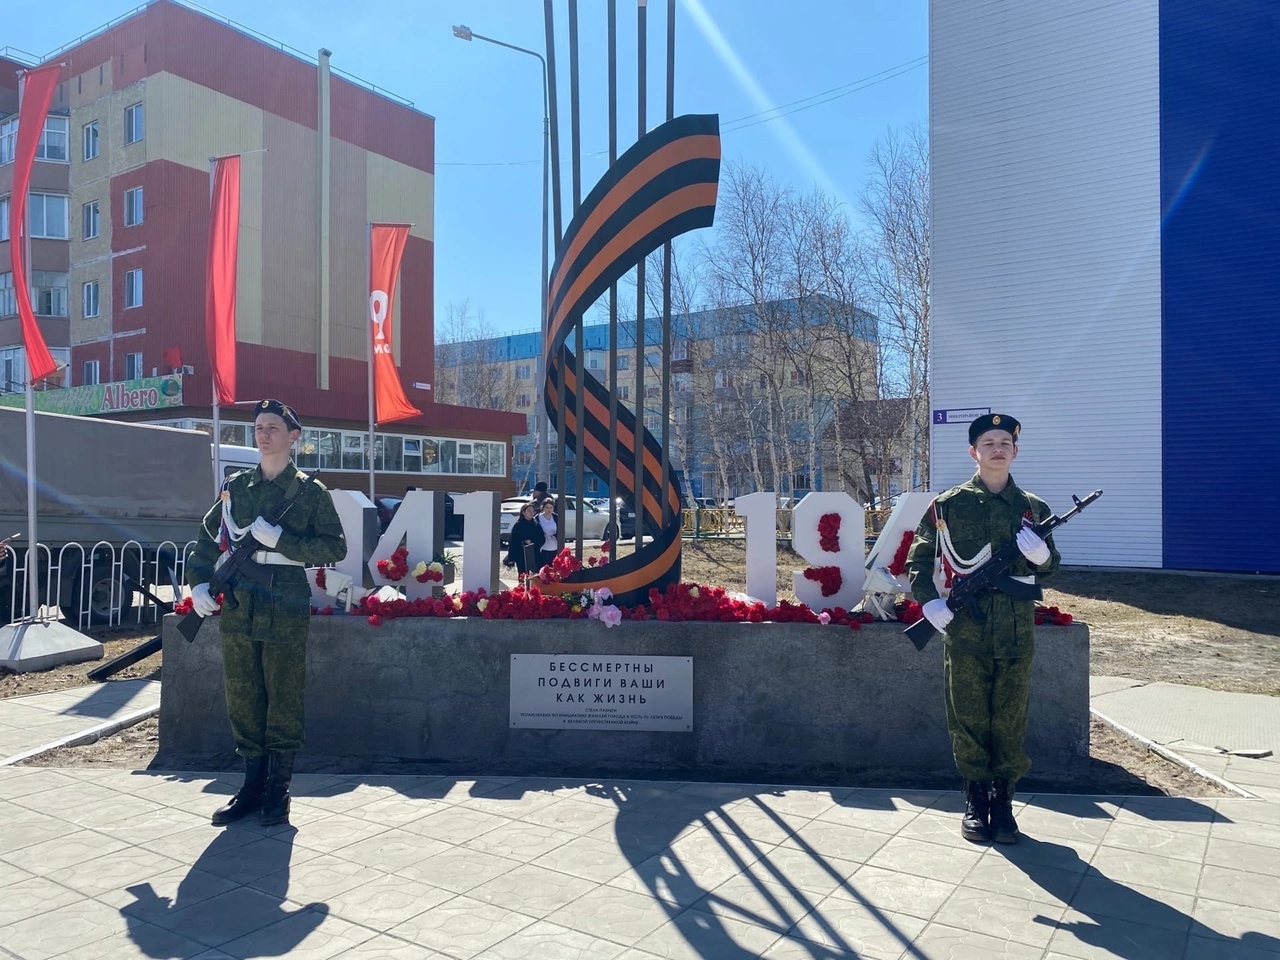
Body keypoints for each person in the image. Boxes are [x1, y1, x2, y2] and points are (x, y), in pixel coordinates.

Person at [187, 399, 346, 828]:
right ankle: (251, 787)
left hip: (285, 603)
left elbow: (335, 548)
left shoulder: (310, 493)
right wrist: (199, 582)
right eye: (258, 427)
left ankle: (278, 791)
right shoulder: (236, 488)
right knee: (242, 696)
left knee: (283, 697)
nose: (262, 434)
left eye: (272, 427)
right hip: (240, 606)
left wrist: (283, 542)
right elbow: (205, 540)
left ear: (293, 436)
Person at [905, 413, 1060, 844]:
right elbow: (918, 561)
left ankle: (1004, 806)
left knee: (1010, 720)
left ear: (1015, 451)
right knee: (969, 718)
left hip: (1015, 633)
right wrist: (931, 601)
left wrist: (1043, 558)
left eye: (1004, 442)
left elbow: (1053, 566)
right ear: (973, 452)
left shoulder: (1033, 508)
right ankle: (975, 800)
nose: (997, 448)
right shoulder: (948, 505)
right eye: (988, 442)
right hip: (966, 632)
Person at [503, 501, 545, 577]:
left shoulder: (536, 524)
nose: (531, 513)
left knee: (534, 576)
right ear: (523, 512)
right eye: (529, 511)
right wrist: (511, 557)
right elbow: (513, 542)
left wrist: (532, 542)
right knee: (523, 576)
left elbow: (542, 538)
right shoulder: (518, 525)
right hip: (521, 555)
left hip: (534, 554)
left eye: (533, 511)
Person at [536, 497, 560, 569]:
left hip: (555, 546)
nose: (549, 510)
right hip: (543, 547)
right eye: (547, 507)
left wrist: (556, 536)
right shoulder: (538, 518)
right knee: (544, 568)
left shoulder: (556, 517)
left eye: (551, 507)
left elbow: (561, 531)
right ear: (543, 507)